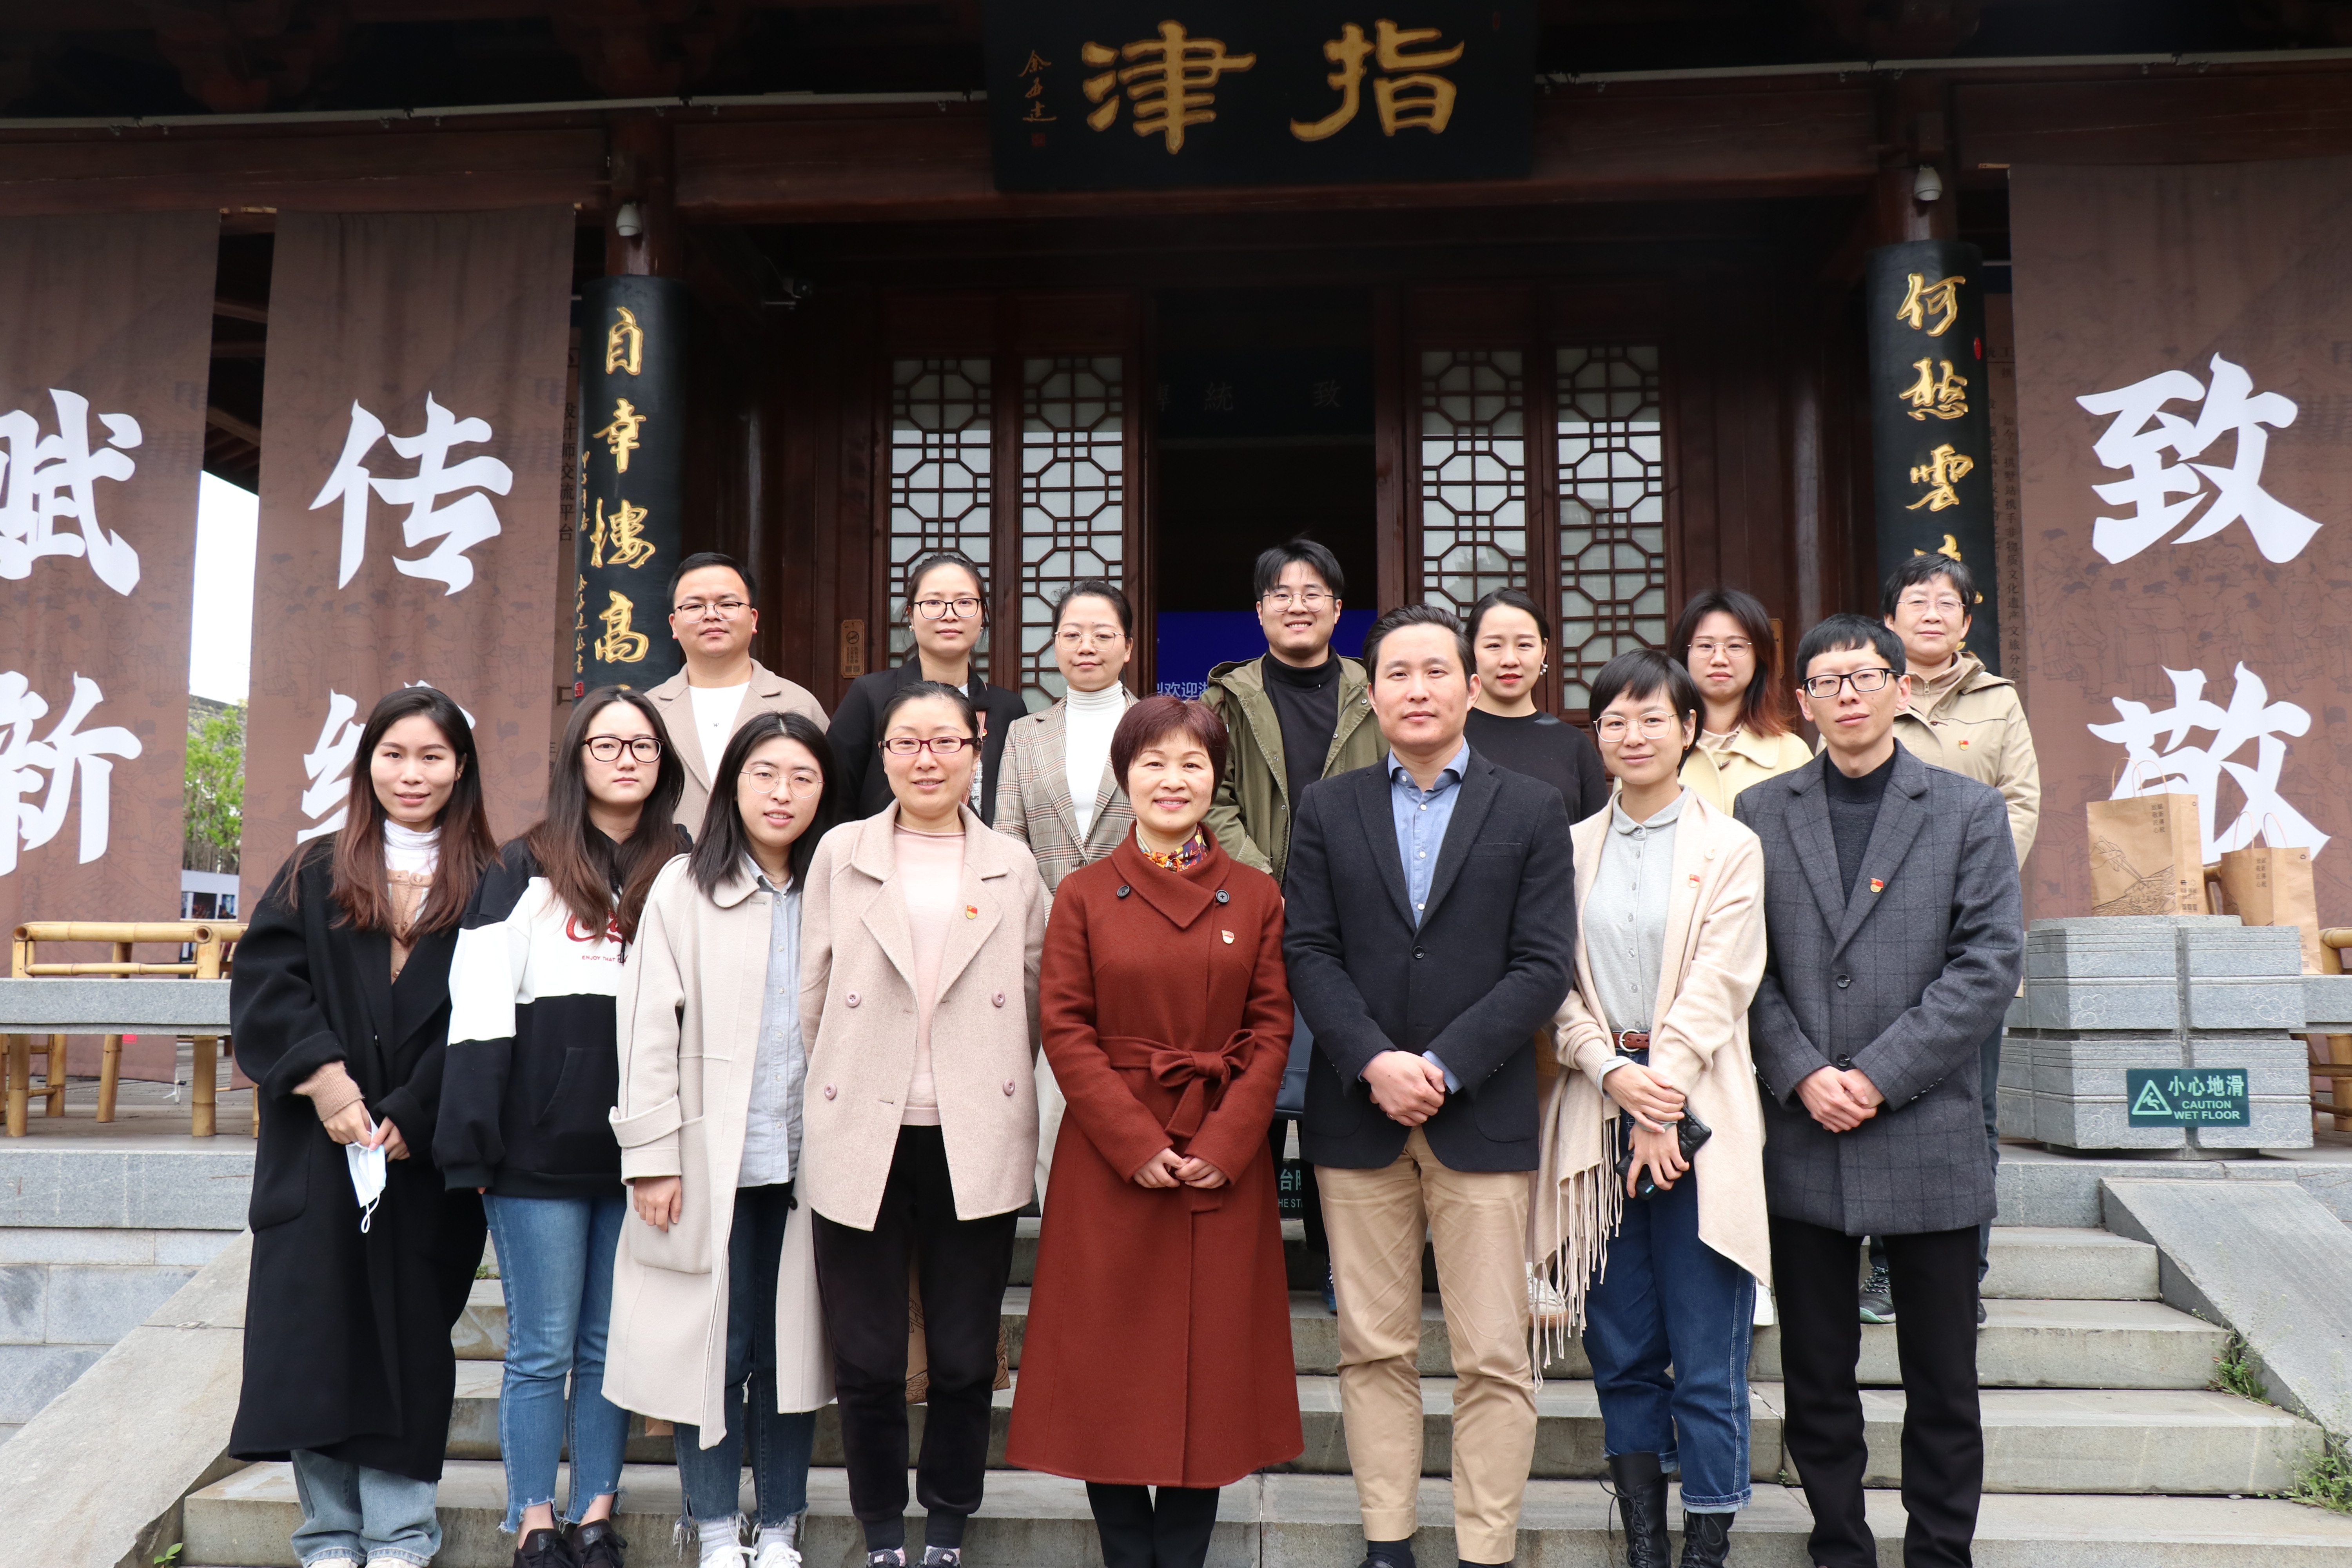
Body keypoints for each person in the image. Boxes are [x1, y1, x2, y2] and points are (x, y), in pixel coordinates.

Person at [1285, 605, 1575, 1568]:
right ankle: (1389, 1540)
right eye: (1398, 674)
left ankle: (1486, 1549)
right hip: (1356, 1111)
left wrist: (1442, 1065)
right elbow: (1309, 950)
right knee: (1373, 1346)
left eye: (1436, 671)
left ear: (1470, 686)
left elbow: (1542, 964)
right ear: (1372, 694)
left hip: (1482, 1112)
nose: (1418, 689)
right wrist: (1374, 1059)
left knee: (1494, 1351)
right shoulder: (1328, 807)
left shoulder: (1530, 806)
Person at [1734, 614, 2022, 1568]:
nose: (1847, 694)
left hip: (1927, 1124)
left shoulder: (1968, 810)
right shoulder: (1760, 812)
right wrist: (1801, 1070)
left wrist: (1877, 1074)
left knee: (1944, 1378)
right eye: (1827, 680)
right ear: (1803, 702)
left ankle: (1940, 1550)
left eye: (1864, 676)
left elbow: (1987, 964)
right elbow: (1740, 966)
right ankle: (1840, 1544)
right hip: (1804, 1125)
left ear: (1902, 688)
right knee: (1817, 1375)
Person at [1006, 695, 1303, 1568]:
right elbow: (1065, 1029)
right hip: (1111, 1163)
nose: (1174, 780)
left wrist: (1225, 1144)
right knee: (1106, 1372)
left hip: (1222, 1161)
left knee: (1211, 1376)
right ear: (1125, 778)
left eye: (1193, 764)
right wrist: (1135, 1144)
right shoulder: (1083, 894)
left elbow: (1272, 1029)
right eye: (1154, 763)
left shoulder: (1256, 895)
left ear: (1216, 780)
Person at [227, 686, 498, 1568]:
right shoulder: (315, 869)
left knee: (408, 1347)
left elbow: (493, 1014)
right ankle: (329, 1535)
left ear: (461, 768)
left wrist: (418, 1110)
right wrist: (328, 1082)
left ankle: (401, 1535)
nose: (411, 774)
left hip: (422, 1156)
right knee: (316, 1341)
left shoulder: (495, 883)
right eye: (394, 754)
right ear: (368, 763)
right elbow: (268, 986)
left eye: (432, 756)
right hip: (319, 1149)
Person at [800, 681, 1050, 1568]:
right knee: (867, 1357)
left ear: (976, 749)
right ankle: (881, 1532)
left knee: (963, 1353)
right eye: (906, 742)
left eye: (945, 741)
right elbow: (812, 992)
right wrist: (845, 1078)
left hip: (975, 1129)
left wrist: (987, 1078)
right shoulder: (841, 853)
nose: (926, 759)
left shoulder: (1012, 864)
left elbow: (1033, 995)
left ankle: (946, 1525)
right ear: (883, 755)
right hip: (859, 1126)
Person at [437, 688, 687, 1568]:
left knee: (610, 1344)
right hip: (536, 1149)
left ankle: (596, 1510)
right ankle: (534, 1517)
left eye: (642, 745)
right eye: (606, 744)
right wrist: (471, 1138)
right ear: (577, 758)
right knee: (542, 1344)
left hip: (645, 1152)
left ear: (663, 762)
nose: (626, 758)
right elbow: (478, 1005)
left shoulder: (685, 863)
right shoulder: (524, 864)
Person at [1532, 650, 1769, 1568]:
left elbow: (1721, 981)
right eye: (1614, 721)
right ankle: (1643, 1540)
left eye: (1652, 718)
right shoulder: (1566, 848)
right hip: (1595, 1114)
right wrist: (1611, 1073)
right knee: (1623, 1346)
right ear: (1596, 736)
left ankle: (1706, 1540)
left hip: (1697, 1112)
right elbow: (1551, 982)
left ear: (1689, 728)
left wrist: (1656, 1095)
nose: (1633, 736)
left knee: (1707, 1353)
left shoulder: (1731, 846)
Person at [607, 711, 842, 1568]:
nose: (783, 793)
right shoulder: (683, 886)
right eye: (764, 774)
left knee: (791, 1351)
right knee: (712, 1347)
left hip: (812, 1164)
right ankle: (711, 1525)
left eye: (803, 777)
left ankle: (780, 1524)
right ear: (733, 787)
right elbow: (645, 1031)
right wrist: (651, 1157)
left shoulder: (839, 887)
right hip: (711, 1162)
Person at [1201, 537, 1381, 1307]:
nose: (1297, 604)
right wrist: (1266, 889)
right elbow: (1211, 797)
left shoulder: (1374, 691)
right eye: (1281, 592)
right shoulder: (1228, 698)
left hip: (1360, 926)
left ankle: (1344, 1262)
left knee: (1346, 1090)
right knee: (1253, 1090)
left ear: (1339, 609)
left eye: (1314, 592)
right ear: (1259, 610)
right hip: (1255, 922)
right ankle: (1248, 1269)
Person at [1869, 553, 2041, 1322]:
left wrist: (1968, 884)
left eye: (1948, 602)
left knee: (1972, 1112)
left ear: (1967, 621)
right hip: (1883, 938)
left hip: (1972, 937)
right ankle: (1887, 1271)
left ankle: (1962, 1276)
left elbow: (2021, 802)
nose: (1932, 613)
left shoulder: (1998, 701)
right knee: (1885, 1098)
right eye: (1917, 600)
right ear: (1890, 618)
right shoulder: (1867, 691)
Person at [992, 579, 1140, 1205]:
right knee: (1052, 1101)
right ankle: (1065, 1236)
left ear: (1128, 647)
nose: (1087, 646)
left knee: (1133, 1099)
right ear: (1054, 645)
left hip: (1140, 941)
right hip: (1047, 942)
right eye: (1073, 634)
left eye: (1103, 635)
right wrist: (1064, 916)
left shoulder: (1156, 728)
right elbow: (1007, 837)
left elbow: (1177, 824)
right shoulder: (1025, 734)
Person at [828, 549, 1030, 827]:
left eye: (964, 602)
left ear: (982, 615)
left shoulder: (1008, 708)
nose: (950, 614)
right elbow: (836, 800)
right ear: (911, 615)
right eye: (934, 602)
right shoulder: (870, 695)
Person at [646, 551, 829, 834]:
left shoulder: (800, 705)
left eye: (727, 604)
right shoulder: (648, 711)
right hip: (669, 860)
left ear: (753, 619)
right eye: (694, 607)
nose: (711, 615)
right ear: (674, 624)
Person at [1461, 586, 1609, 822]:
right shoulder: (1449, 737)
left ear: (1543, 651)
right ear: (1470, 650)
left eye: (1524, 645)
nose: (1510, 660)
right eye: (1494, 646)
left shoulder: (1574, 745)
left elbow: (1596, 835)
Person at [1670, 588, 1812, 816]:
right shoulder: (1655, 748)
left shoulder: (1793, 753)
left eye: (1735, 646)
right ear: (1683, 657)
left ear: (1759, 658)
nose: (1719, 659)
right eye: (1705, 646)